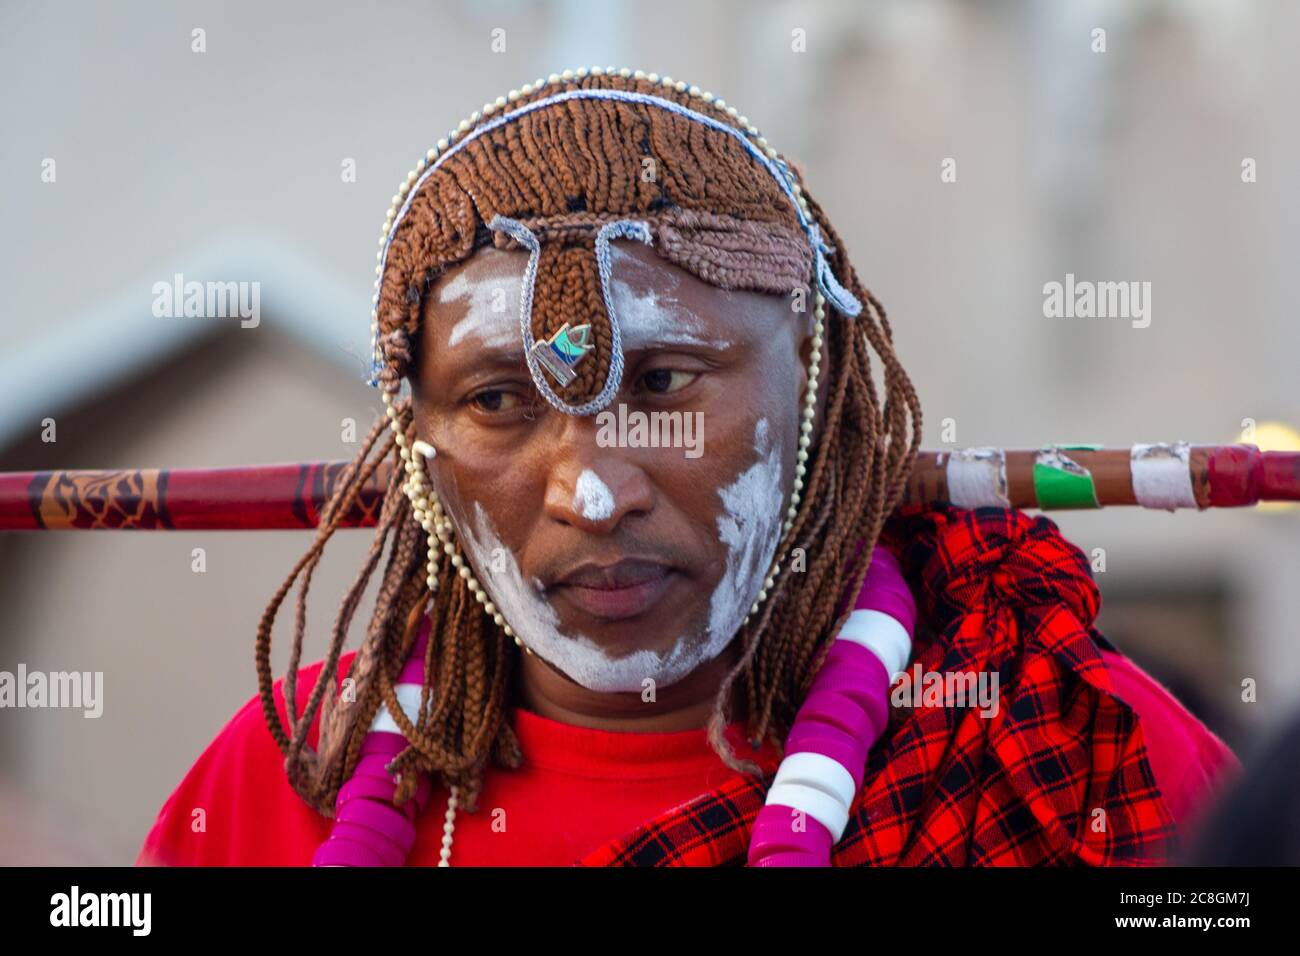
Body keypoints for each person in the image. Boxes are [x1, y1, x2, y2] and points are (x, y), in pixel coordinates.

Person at [138, 67, 1237, 867]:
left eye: (663, 383)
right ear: (418, 439)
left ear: (811, 374)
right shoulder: (289, 777)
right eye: (498, 402)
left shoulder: (1065, 741)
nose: (595, 491)